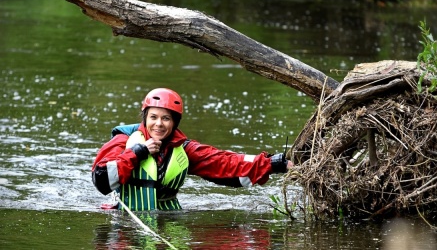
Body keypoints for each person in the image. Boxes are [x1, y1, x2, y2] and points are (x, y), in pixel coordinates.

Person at [92, 88, 293, 211]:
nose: (159, 124)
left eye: (166, 118)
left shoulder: (183, 149)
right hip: (123, 217)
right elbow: (101, 180)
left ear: (175, 122)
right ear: (145, 118)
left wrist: (275, 164)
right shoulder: (123, 140)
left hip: (167, 214)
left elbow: (223, 162)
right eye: (153, 117)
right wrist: (138, 152)